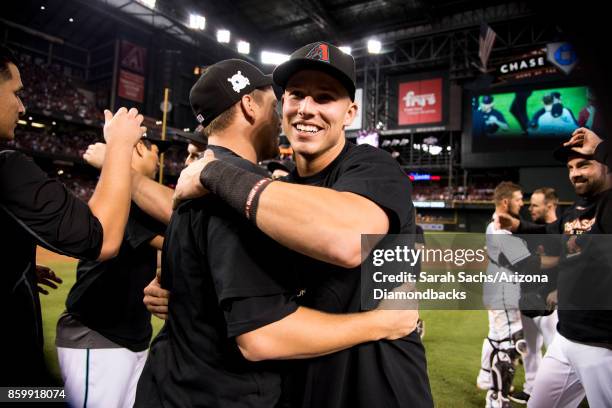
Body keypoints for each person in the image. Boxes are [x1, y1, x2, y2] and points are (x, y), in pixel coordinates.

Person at [134, 58, 418, 408]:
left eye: (325, 97)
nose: (306, 109)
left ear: (350, 113)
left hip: (374, 386)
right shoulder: (274, 191)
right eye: (296, 95)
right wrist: (193, 296)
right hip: (296, 386)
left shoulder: (371, 166)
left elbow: (350, 241)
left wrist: (214, 174)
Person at [0, 44, 145, 385]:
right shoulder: (7, 167)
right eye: (16, 94)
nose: (22, 106)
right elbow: (102, 238)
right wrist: (120, 147)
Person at [55, 138, 170, 408]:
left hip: (131, 337)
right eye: (156, 152)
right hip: (98, 337)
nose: (159, 160)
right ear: (140, 147)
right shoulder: (122, 198)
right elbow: (179, 236)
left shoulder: (137, 198)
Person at [510, 187, 560, 404]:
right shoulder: (531, 231)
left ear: (550, 206)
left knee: (557, 353)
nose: (530, 208)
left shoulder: (560, 232)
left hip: (551, 304)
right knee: (530, 350)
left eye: (535, 205)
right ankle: (531, 389)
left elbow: (570, 265)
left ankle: (558, 394)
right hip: (528, 299)